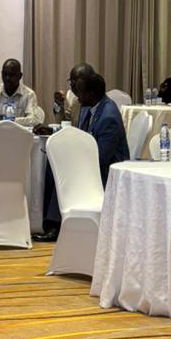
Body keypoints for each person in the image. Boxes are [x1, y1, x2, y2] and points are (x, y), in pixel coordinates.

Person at [35, 71, 128, 242]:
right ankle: (50, 223)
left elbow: (101, 158)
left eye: (80, 92)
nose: (77, 97)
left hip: (108, 171)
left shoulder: (108, 117)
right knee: (52, 165)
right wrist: (54, 132)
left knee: (65, 169)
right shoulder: (89, 107)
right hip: (93, 163)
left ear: (91, 94)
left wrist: (73, 161)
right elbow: (80, 136)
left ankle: (55, 226)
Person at [0, 59, 45, 126]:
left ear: (20, 76)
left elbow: (34, 120)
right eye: (5, 74)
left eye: (12, 75)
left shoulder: (29, 95)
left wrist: (7, 120)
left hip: (18, 135)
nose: (7, 78)